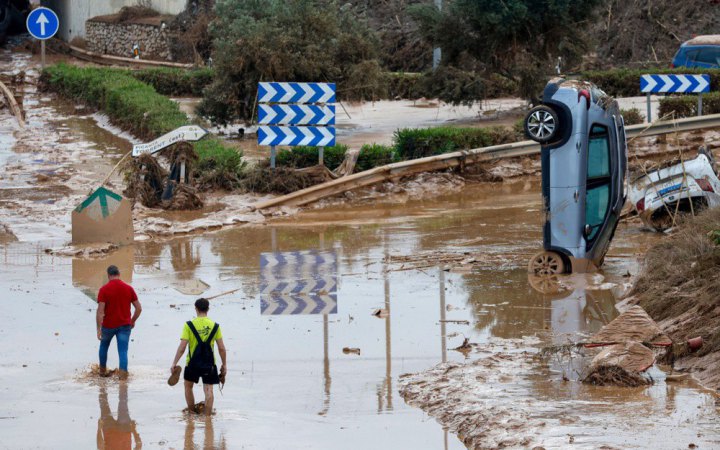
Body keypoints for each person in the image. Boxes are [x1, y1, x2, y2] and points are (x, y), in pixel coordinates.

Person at [170, 298, 227, 416]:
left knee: (188, 387)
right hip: (209, 364)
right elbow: (221, 348)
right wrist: (224, 364)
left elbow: (182, 347)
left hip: (192, 364)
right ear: (208, 309)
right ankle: (207, 417)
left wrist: (174, 362)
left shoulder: (188, 325)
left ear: (196, 308)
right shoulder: (215, 326)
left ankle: (191, 413)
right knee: (209, 390)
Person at [97, 265, 142, 379]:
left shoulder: (103, 290)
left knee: (104, 346)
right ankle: (123, 376)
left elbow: (100, 312)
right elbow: (139, 308)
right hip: (124, 326)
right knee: (123, 351)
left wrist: (98, 329)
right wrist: (132, 321)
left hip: (108, 326)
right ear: (119, 274)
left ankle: (102, 372)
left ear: (108, 275)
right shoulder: (128, 288)